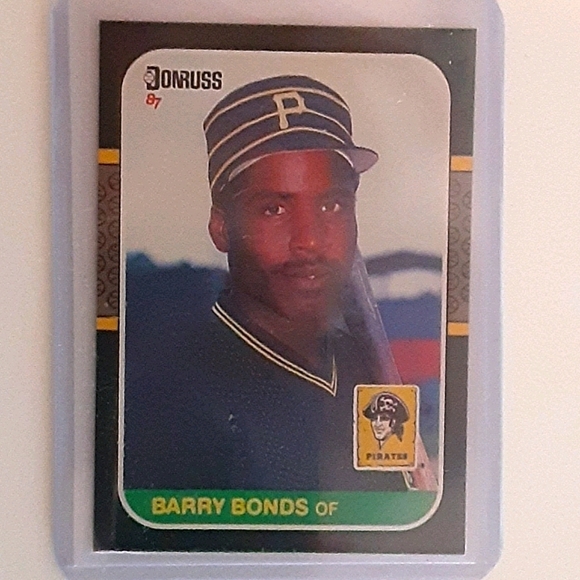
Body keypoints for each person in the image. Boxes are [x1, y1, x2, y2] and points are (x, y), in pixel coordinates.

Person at [122, 75, 408, 492]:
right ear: (221, 228)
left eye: (332, 204)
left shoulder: (362, 366)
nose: (310, 240)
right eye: (274, 209)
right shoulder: (171, 402)